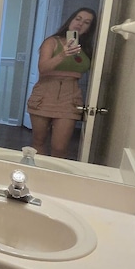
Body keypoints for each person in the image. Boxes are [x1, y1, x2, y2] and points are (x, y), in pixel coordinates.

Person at [26, 8, 97, 158]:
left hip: (70, 96)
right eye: (78, 19)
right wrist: (63, 54)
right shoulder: (51, 42)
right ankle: (38, 175)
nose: (80, 24)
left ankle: (54, 179)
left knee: (60, 147)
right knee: (38, 142)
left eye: (86, 22)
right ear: (71, 20)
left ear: (90, 28)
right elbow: (43, 68)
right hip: (44, 94)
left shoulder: (88, 49)